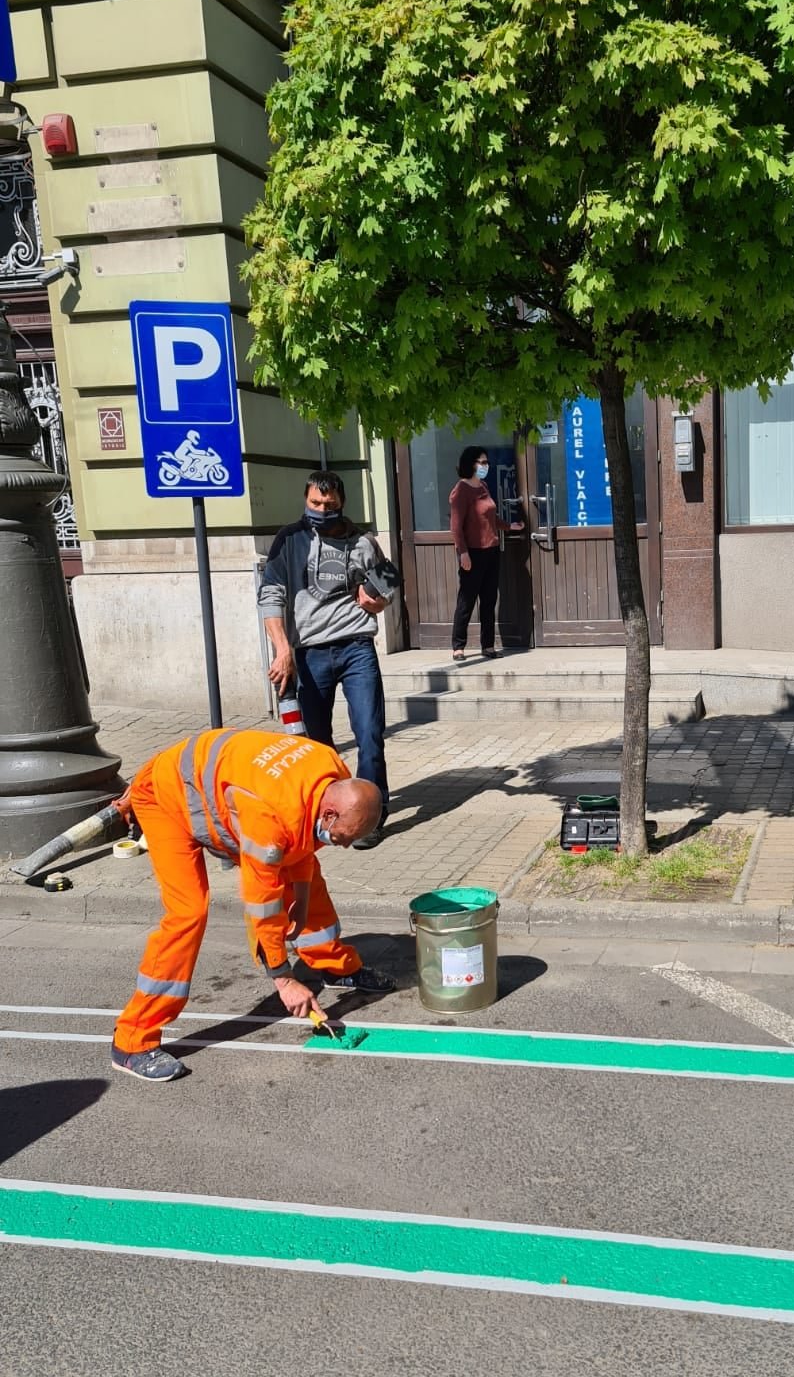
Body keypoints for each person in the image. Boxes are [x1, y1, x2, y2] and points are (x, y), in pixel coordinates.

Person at [110, 728, 395, 1083]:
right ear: (330, 813)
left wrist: (303, 903)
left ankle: (334, 965)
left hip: (211, 786)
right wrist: (283, 979)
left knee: (309, 877)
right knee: (188, 912)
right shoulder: (268, 820)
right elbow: (262, 904)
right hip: (166, 796)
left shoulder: (330, 768)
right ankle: (132, 1040)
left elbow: (302, 847)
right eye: (342, 837)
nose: (345, 846)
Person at [259, 469, 399, 850]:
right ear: (306, 501)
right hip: (309, 653)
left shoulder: (364, 542)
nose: (321, 510)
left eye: (329, 504)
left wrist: (379, 599)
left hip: (356, 648)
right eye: (315, 504)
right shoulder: (289, 540)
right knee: (317, 745)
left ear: (342, 504)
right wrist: (282, 648)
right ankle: (328, 811)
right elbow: (270, 595)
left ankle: (371, 817)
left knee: (369, 734)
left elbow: (387, 584)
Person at [449, 446, 523, 661]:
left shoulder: (483, 486)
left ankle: (488, 645)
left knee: (489, 599)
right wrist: (463, 553)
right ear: (471, 464)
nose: (485, 466)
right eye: (482, 462)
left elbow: (491, 517)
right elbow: (456, 526)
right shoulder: (460, 490)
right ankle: (458, 645)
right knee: (467, 599)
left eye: (486, 462)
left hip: (491, 550)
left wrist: (510, 527)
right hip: (472, 552)